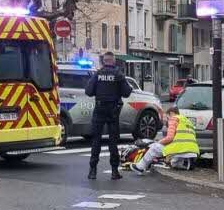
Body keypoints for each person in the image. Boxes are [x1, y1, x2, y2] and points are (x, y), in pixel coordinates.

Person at [85, 51, 131, 180]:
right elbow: (127, 93)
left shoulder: (97, 74)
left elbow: (88, 91)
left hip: (99, 109)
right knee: (113, 141)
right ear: (114, 61)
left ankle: (92, 171)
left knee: (96, 140)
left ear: (104, 61)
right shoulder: (118, 74)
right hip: (113, 110)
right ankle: (114, 171)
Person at [132, 106, 200, 174]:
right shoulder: (187, 121)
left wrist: (158, 142)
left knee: (155, 147)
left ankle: (139, 167)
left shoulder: (173, 118)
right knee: (173, 163)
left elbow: (169, 138)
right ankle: (186, 163)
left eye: (167, 117)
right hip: (193, 152)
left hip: (181, 149)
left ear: (171, 113)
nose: (167, 120)